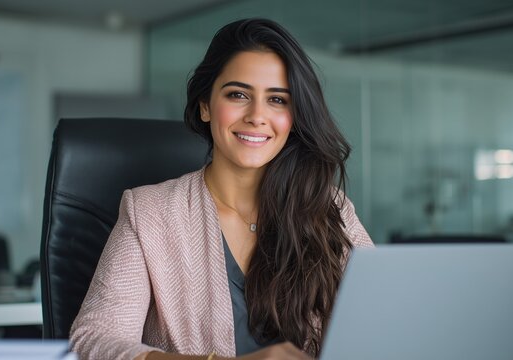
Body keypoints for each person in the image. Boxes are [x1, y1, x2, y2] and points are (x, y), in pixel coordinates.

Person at [70, 18, 374, 360]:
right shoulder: (149, 213)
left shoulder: (329, 208)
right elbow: (94, 339)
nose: (257, 116)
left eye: (277, 100)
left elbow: (384, 319)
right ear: (205, 105)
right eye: (238, 95)